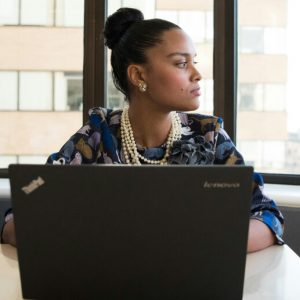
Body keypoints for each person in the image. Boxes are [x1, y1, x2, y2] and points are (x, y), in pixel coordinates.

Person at [1, 7, 284, 252]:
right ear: (138, 75)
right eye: (181, 63)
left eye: (193, 62)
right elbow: (18, 220)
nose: (197, 74)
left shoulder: (209, 136)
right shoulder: (97, 137)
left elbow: (267, 215)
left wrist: (201, 244)